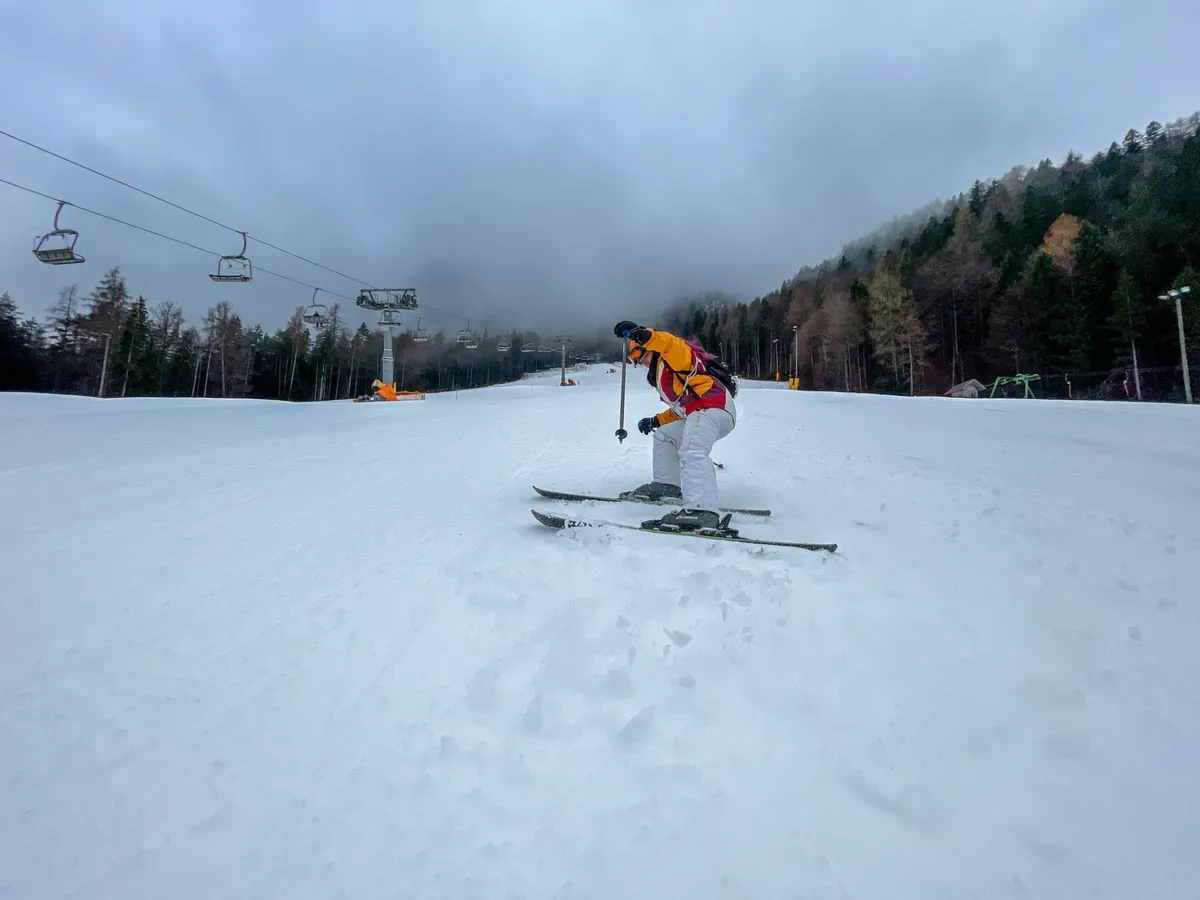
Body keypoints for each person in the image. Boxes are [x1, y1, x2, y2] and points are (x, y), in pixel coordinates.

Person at [613, 319, 738, 532]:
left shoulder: (673, 357)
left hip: (712, 406)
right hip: (700, 410)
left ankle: (702, 510)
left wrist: (642, 334)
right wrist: (656, 421)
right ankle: (668, 485)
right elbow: (682, 408)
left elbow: (671, 344)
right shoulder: (664, 374)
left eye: (640, 357)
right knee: (664, 434)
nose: (640, 363)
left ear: (649, 348)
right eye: (635, 361)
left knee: (693, 450)